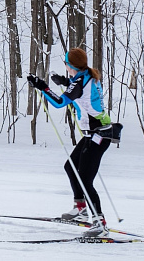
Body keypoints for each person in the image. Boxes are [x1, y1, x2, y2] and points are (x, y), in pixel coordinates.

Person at [26, 48, 116, 237]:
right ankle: (81, 211)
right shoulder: (85, 76)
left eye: (66, 63)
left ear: (70, 65)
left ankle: (100, 223)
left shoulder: (80, 81)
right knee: (70, 167)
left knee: (85, 180)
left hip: (99, 135)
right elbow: (79, 92)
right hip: (94, 134)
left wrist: (42, 87)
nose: (65, 66)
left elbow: (59, 102)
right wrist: (64, 82)